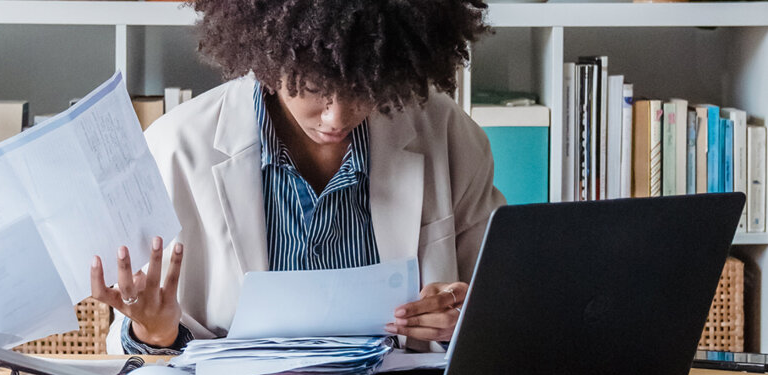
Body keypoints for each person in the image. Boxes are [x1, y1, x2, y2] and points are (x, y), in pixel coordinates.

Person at [92, 0, 505, 355]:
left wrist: (466, 318)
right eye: (314, 87)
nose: (336, 117)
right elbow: (136, 352)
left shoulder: (448, 135)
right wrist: (154, 332)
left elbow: (506, 304)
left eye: (362, 88)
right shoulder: (174, 147)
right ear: (268, 54)